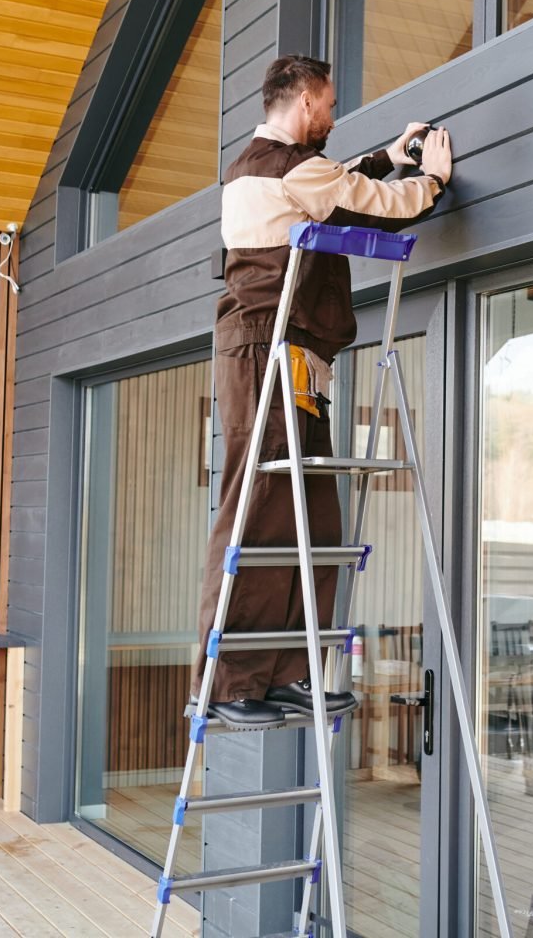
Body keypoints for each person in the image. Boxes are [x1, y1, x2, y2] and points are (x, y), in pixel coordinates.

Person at [192, 55, 453, 728]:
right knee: (262, 513)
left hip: (293, 358)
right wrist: (431, 179)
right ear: (306, 102)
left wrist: (386, 155)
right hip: (266, 351)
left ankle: (287, 673)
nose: (333, 116)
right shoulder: (283, 167)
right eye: (330, 104)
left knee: (310, 519)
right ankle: (228, 684)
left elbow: (333, 186)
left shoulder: (265, 167)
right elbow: (382, 211)